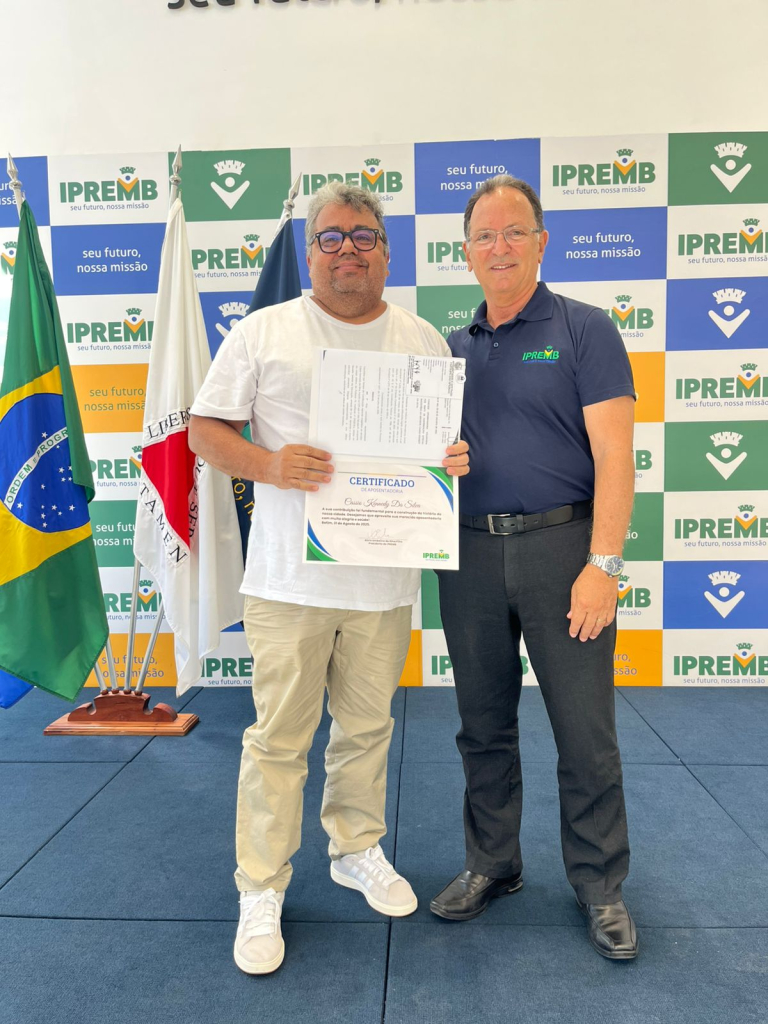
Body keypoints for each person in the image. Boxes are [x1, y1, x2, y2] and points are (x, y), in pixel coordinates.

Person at [189, 182, 469, 975]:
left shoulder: (422, 340)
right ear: (310, 253)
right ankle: (260, 886)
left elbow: (439, 449)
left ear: (387, 252)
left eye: (364, 236)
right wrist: (270, 465)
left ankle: (355, 849)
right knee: (278, 741)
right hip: (288, 583)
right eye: (332, 237)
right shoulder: (265, 331)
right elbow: (205, 430)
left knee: (367, 730)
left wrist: (452, 461)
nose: (349, 249)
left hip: (383, 584)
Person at [429, 175, 638, 961]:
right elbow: (425, 458)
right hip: (469, 555)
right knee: (481, 726)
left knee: (585, 733)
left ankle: (601, 884)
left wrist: (603, 565)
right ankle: (493, 863)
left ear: (542, 242)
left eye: (515, 231)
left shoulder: (586, 329)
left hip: (564, 552)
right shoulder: (448, 351)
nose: (500, 246)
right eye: (485, 235)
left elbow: (616, 455)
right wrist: (437, 461)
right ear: (467, 253)